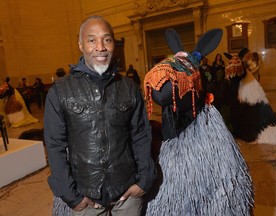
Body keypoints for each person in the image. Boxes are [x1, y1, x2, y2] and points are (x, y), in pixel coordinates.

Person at [44, 16, 156, 216]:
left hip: (128, 194)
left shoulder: (129, 87)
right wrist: (72, 196)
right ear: (80, 45)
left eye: (107, 39)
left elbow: (141, 134)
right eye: (91, 40)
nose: (100, 47)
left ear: (114, 44)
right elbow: (55, 146)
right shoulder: (60, 92)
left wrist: (144, 180)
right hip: (86, 198)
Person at [144, 28, 254, 215]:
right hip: (175, 142)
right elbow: (161, 95)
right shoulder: (170, 88)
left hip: (200, 137)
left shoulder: (214, 137)